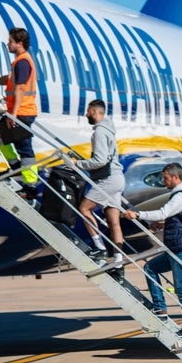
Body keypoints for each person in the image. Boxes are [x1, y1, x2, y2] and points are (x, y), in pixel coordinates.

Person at [121, 162, 182, 339]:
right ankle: (160, 308)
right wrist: (162, 227)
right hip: (176, 249)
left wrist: (138, 214)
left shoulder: (181, 196)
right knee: (151, 268)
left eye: (165, 178)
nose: (164, 181)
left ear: (175, 177)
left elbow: (164, 212)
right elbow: (180, 222)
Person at [72, 99, 125, 268]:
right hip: (118, 177)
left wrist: (77, 164)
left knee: (84, 209)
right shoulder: (109, 130)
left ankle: (99, 247)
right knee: (114, 222)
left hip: (108, 178)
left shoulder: (100, 132)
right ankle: (118, 262)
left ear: (95, 112)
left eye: (88, 112)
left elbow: (100, 160)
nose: (86, 114)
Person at [0, 27, 39, 199]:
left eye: (10, 41)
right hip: (20, 111)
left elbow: (19, 88)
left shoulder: (23, 62)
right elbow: (11, 80)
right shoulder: (19, 62)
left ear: (19, 43)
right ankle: (14, 165)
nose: (8, 44)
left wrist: (13, 114)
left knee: (25, 149)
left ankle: (30, 186)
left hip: (22, 112)